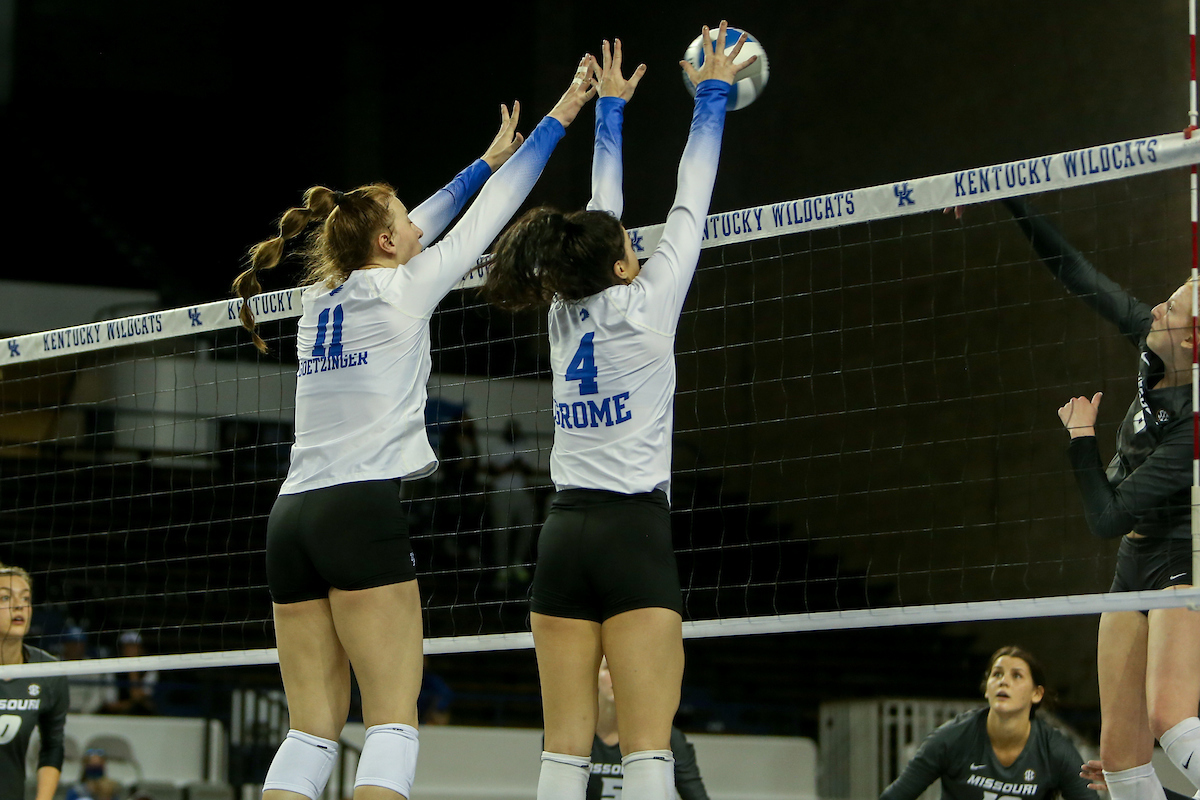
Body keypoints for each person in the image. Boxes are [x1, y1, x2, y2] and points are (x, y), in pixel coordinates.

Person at [233, 58, 598, 800]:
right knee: (393, 723)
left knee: (310, 730)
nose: (416, 229)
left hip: (291, 518)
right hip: (357, 511)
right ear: (390, 245)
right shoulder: (408, 286)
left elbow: (429, 213)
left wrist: (479, 159)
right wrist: (564, 110)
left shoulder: (320, 299)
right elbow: (504, 202)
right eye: (403, 223)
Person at [482, 26, 754, 800]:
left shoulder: (563, 310)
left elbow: (598, 220)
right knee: (647, 755)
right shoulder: (648, 305)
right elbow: (690, 193)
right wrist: (711, 94)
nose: (636, 241)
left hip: (563, 534)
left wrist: (609, 113)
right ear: (626, 264)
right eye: (632, 244)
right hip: (635, 534)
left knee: (563, 755)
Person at [1004, 196, 1200, 800]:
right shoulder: (1154, 345)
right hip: (1133, 563)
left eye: (1172, 308)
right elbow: (1079, 274)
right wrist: (1008, 199)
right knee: (1118, 764)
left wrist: (1083, 440)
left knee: (1169, 719)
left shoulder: (1193, 426)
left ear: (1193, 343)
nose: (1157, 307)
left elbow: (1106, 516)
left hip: (1181, 556)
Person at [879, 646, 1096, 800]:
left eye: (1017, 676)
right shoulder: (953, 738)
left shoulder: (1055, 750)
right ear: (986, 688)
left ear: (1036, 694)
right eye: (997, 674)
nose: (1004, 681)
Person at [589, 658, 709, 800]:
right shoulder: (574, 735)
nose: (617, 675)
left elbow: (695, 794)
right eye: (609, 668)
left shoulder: (666, 736)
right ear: (593, 675)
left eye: (626, 669)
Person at [0, 563, 69, 800]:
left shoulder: (48, 671)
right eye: (5, 597)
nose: (19, 605)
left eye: (26, 598)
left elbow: (52, 745)